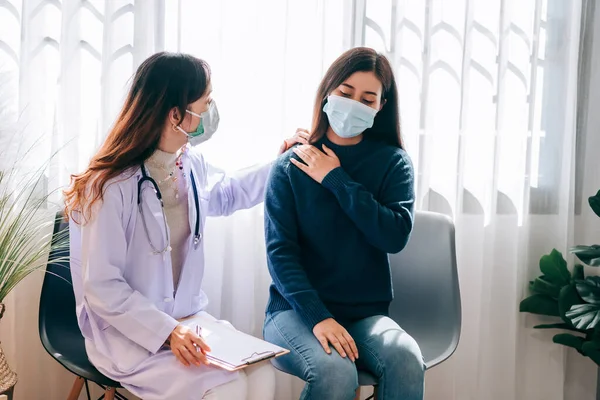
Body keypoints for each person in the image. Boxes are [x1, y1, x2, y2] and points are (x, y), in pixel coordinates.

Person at [64, 52, 308, 400]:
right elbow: (102, 287)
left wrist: (285, 161)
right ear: (175, 114)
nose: (211, 110)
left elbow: (228, 194)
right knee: (229, 389)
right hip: (129, 333)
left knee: (259, 370)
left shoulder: (187, 165)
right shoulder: (110, 186)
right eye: (206, 101)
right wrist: (167, 332)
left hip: (185, 320)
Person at [262, 47, 425, 400]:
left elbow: (394, 236)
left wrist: (336, 179)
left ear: (380, 107)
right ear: (327, 93)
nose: (354, 104)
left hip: (364, 314)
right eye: (345, 93)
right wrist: (319, 317)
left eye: (367, 99)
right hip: (296, 312)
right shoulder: (291, 165)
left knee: (407, 358)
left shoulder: (393, 163)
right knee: (335, 372)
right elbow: (281, 254)